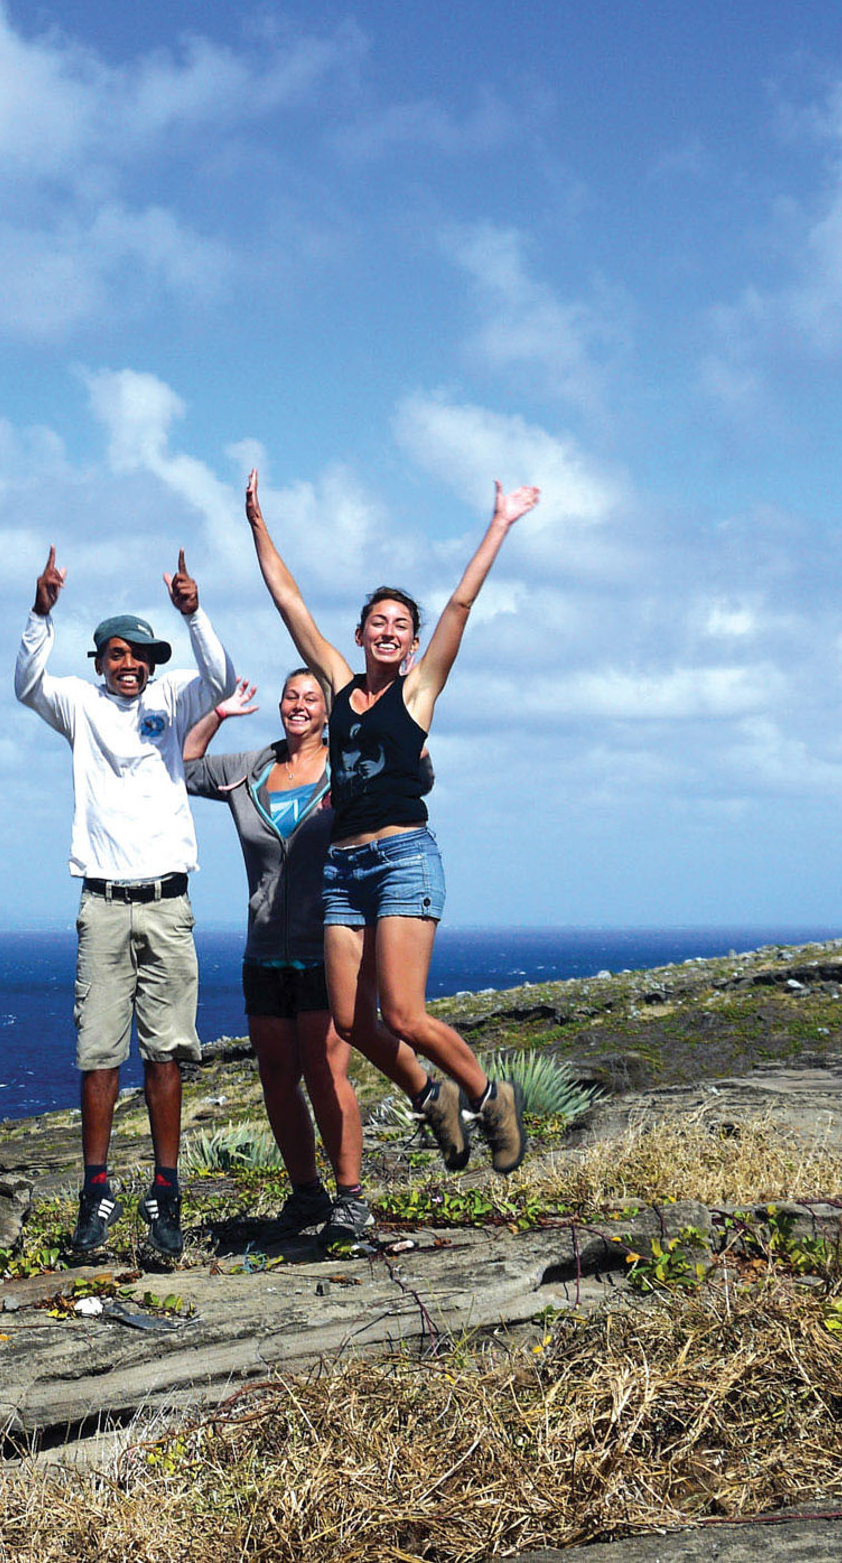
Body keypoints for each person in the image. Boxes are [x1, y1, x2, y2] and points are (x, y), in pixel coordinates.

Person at [244, 468, 540, 1174]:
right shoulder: (339, 690)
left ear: (410, 645)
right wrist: (258, 524)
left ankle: (491, 1096)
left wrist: (499, 522)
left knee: (403, 1017)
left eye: (401, 626)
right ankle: (429, 1095)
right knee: (350, 1022)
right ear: (360, 633)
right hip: (343, 867)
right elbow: (289, 604)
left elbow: (462, 605)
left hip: (403, 858)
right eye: (377, 621)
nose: (389, 631)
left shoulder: (420, 690)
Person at [14, 545, 237, 1266]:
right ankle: (96, 1190)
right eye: (117, 653)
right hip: (103, 904)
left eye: (140, 653)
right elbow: (26, 685)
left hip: (168, 902)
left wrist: (194, 611)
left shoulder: (172, 700)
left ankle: (166, 1191)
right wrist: (40, 612)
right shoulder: (80, 705)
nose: (129, 664)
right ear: (101, 659)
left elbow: (221, 677)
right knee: (99, 1054)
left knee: (168, 1051)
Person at [184, 672, 435, 1249]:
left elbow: (415, 774)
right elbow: (188, 763)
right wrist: (218, 715)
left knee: (326, 1070)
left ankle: (350, 1200)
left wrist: (410, 740)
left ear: (329, 713)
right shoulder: (248, 768)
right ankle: (306, 1195)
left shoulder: (347, 764)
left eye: (311, 698)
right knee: (276, 1075)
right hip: (264, 949)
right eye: (290, 696)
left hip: (334, 942)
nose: (299, 705)